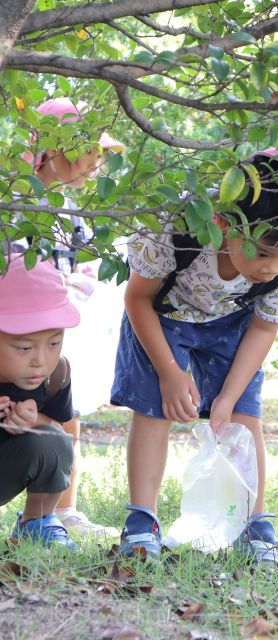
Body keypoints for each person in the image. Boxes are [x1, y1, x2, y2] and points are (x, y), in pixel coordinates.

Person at [110, 148, 278, 565]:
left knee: (245, 419)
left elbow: (263, 329)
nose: (274, 267)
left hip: (232, 324)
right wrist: (170, 372)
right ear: (226, 222)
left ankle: (254, 523)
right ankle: (142, 520)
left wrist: (229, 397)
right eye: (264, 252)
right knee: (154, 410)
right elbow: (137, 298)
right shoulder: (177, 227)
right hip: (161, 315)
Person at [19, 97, 125, 539]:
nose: (94, 165)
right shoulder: (20, 199)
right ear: (54, 148)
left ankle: (63, 509)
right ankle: (37, 513)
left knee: (68, 412)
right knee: (26, 415)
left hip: (62, 329)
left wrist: (82, 278)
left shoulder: (70, 208)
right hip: (22, 332)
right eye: (87, 154)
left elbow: (78, 260)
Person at [0, 256, 81, 549]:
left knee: (53, 440)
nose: (40, 361)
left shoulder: (56, 373)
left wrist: (34, 421)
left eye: (53, 343)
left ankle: (37, 523)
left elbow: (59, 436)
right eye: (23, 347)